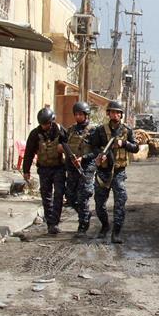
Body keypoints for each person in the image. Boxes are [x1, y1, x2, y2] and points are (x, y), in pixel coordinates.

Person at [93, 100, 139, 243]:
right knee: (99, 203)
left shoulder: (126, 130)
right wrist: (100, 154)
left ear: (121, 115)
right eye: (112, 112)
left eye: (118, 113)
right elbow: (93, 147)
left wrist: (123, 143)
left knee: (120, 202)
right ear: (108, 114)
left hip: (119, 172)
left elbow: (136, 147)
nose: (115, 115)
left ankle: (116, 232)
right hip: (103, 172)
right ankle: (105, 226)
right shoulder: (100, 130)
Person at [21, 107, 70, 235]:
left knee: (59, 195)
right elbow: (29, 153)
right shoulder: (35, 134)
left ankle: (55, 222)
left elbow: (70, 148)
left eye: (47, 124)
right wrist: (26, 170)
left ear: (52, 121)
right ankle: (50, 224)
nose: (44, 127)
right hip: (44, 169)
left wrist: (63, 149)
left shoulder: (60, 131)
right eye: (42, 124)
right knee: (46, 196)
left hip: (59, 168)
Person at [64, 101, 109, 239]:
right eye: (76, 114)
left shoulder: (93, 131)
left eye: (80, 114)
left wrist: (83, 158)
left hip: (87, 167)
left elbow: (97, 151)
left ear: (86, 115)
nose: (78, 117)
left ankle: (83, 226)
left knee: (83, 197)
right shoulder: (71, 130)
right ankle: (85, 215)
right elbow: (65, 144)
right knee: (70, 197)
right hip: (72, 167)